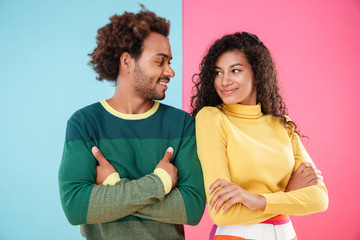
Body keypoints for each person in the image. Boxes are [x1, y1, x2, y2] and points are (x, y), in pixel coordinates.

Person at [58, 9, 205, 240]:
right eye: (160, 61)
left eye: (170, 62)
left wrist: (113, 186)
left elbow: (192, 208)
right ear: (127, 61)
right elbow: (76, 207)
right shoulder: (84, 123)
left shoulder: (181, 124)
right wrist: (160, 182)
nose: (170, 71)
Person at [191, 32, 329, 240]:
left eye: (235, 71)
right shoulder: (212, 118)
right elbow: (222, 212)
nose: (224, 81)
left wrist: (257, 200)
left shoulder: (283, 123)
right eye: (218, 73)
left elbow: (320, 199)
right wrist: (288, 195)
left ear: (257, 73)